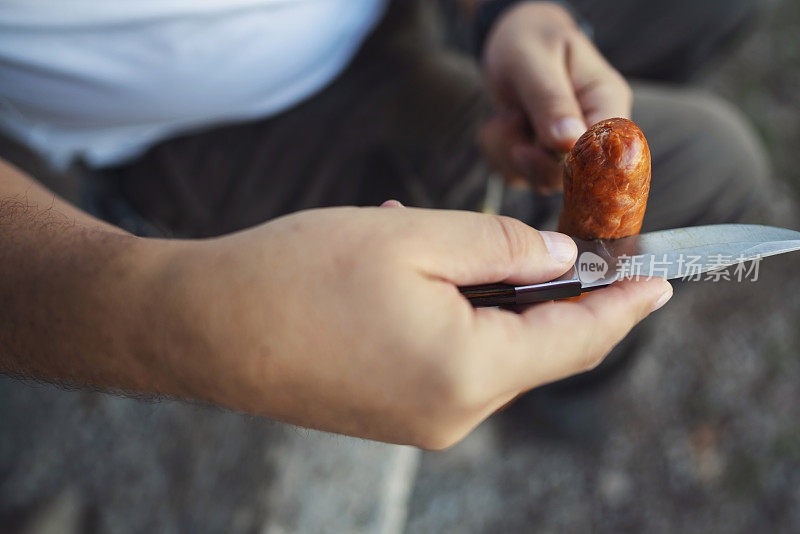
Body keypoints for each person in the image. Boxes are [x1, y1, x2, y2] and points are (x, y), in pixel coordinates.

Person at [0, 0, 766, 451]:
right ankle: (557, 395)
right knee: (719, 167)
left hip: (393, 16)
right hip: (204, 123)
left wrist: (511, 12)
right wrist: (186, 319)